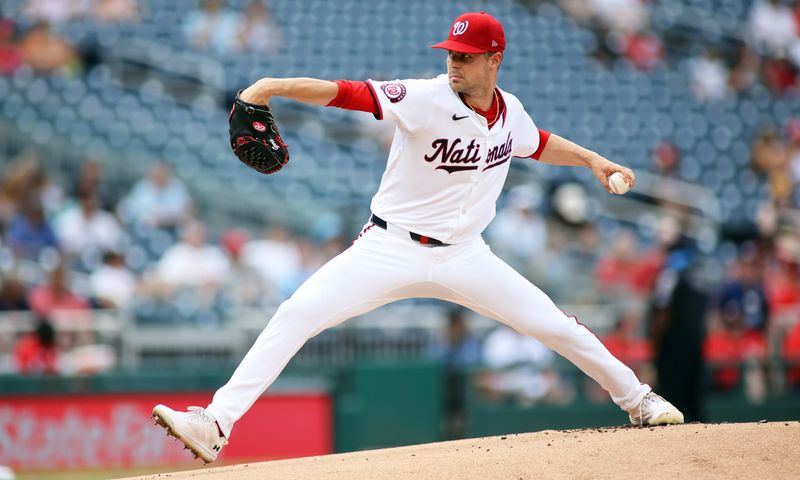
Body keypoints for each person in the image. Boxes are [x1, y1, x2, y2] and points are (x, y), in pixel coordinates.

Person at [153, 12, 683, 463]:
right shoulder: (426, 98)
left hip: (466, 256)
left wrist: (592, 158)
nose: (454, 62)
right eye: (452, 53)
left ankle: (639, 400)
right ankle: (215, 423)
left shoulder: (509, 111)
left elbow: (538, 142)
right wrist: (268, 86)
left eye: (467, 56)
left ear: (494, 61)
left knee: (554, 324)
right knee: (297, 314)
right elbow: (347, 94)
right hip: (390, 247)